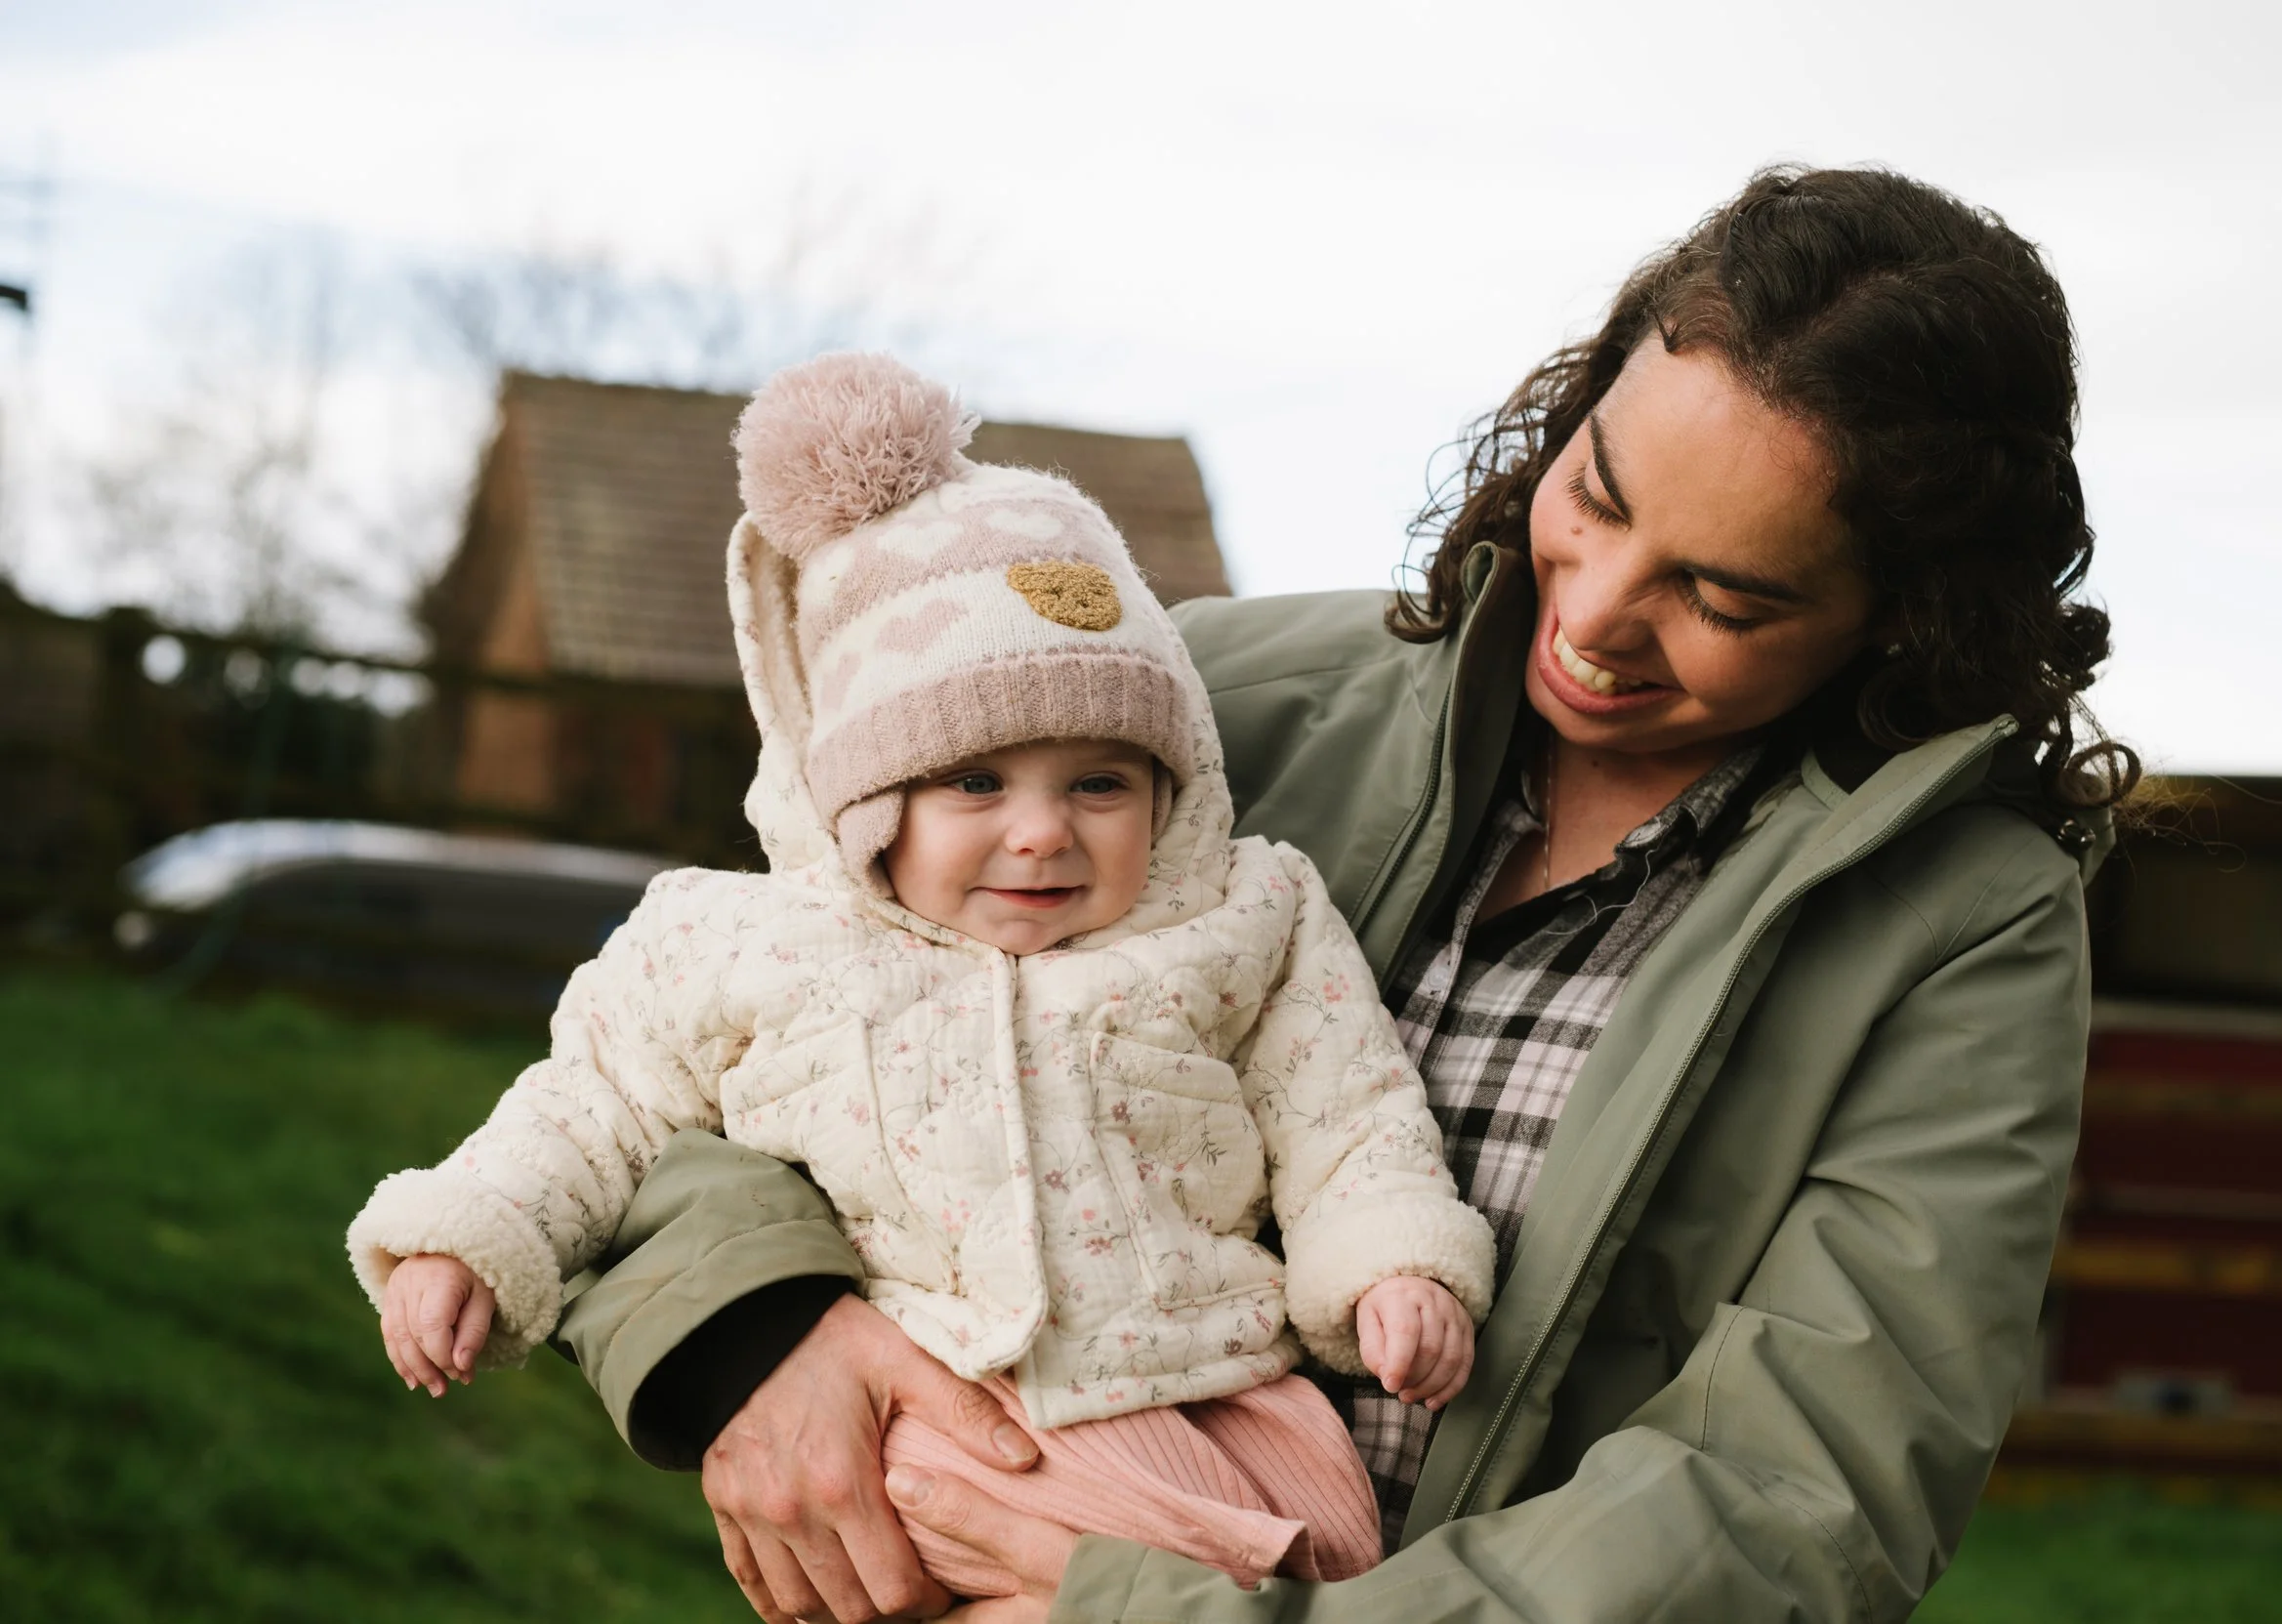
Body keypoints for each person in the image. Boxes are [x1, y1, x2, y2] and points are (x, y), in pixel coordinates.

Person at [549, 164, 2140, 1624]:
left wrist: (1162, 1609)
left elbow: (1803, 1493)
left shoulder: (1966, 930)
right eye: (1596, 496)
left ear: (1907, 616)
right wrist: (757, 1329)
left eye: (1721, 596)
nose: (1595, 613)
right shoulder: (1194, 705)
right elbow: (713, 1028)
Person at [347, 354, 1499, 1601]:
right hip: (931, 1422)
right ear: (865, 802)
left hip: (1208, 1403)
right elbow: (591, 1106)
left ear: (1172, 788)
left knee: (1293, 1570)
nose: (1041, 832)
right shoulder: (746, 943)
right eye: (975, 783)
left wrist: (1389, 1263)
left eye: (1099, 782)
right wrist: (472, 1239)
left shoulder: (1240, 921)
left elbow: (1345, 1113)